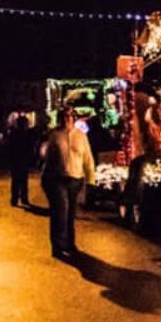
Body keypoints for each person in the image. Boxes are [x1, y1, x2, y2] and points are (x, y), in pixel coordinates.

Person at [41, 107, 96, 259]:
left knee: (70, 213)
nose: (68, 118)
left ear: (75, 118)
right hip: (57, 179)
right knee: (61, 212)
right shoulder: (55, 135)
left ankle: (70, 244)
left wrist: (91, 179)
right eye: (65, 116)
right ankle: (58, 246)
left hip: (75, 179)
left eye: (71, 116)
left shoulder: (81, 136)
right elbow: (48, 157)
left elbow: (88, 158)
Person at [6, 116, 34, 207]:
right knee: (21, 181)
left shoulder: (15, 134)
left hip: (18, 160)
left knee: (17, 181)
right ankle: (22, 198)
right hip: (20, 160)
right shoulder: (25, 134)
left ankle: (16, 199)